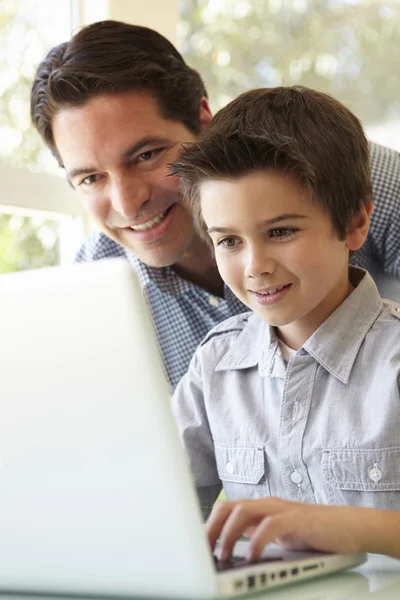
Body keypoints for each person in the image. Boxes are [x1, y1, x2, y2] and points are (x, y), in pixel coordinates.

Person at [30, 20, 400, 390]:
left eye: (146, 155)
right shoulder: (90, 289)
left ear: (203, 122)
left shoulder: (342, 174)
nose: (127, 205)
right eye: (91, 178)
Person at [170, 86, 400, 560]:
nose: (255, 266)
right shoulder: (214, 365)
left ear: (356, 222)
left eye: (281, 232)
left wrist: (355, 527)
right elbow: (153, 516)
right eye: (229, 241)